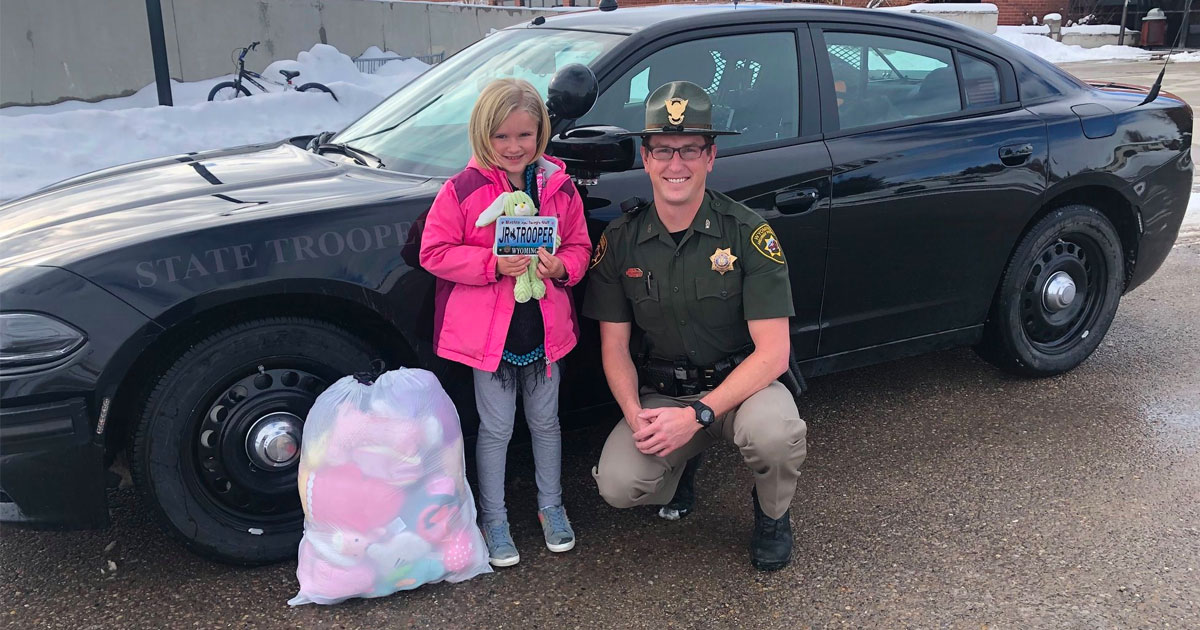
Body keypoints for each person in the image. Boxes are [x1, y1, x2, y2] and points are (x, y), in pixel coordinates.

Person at [583, 81, 807, 571]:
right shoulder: (621, 241)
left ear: (711, 156)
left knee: (775, 436)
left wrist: (700, 414)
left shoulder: (748, 233)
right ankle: (682, 461)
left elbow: (772, 353)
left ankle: (772, 515)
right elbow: (615, 347)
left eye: (689, 149)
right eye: (663, 150)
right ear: (645, 158)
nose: (675, 164)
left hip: (743, 387)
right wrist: (635, 413)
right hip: (665, 391)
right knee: (619, 485)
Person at [419, 78, 592, 567]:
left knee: (546, 424)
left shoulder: (559, 186)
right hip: (489, 339)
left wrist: (562, 267)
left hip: (544, 331)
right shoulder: (463, 190)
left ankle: (550, 507)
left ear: (541, 133)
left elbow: (578, 245)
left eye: (525, 135)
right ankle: (493, 518)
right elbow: (434, 252)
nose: (514, 147)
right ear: (482, 135)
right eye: (502, 137)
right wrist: (491, 265)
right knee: (495, 430)